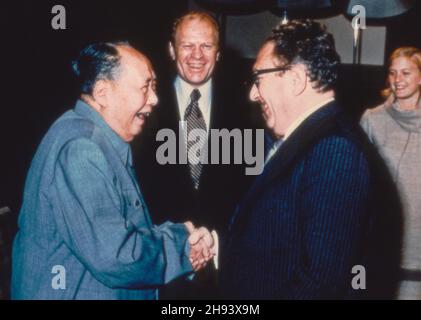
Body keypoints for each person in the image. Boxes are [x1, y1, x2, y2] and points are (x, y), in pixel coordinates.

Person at [11, 41, 216, 300]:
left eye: (154, 87)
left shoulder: (93, 137)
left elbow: (119, 229)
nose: (154, 99)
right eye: (145, 88)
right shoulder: (81, 148)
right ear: (102, 93)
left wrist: (179, 239)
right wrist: (181, 244)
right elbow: (116, 255)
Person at [220, 19, 402, 299]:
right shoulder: (306, 138)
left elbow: (320, 284)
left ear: (295, 80)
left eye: (258, 79)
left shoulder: (334, 148)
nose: (252, 94)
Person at [133, 11, 254, 298]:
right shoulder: (144, 107)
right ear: (172, 50)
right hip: (159, 267)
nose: (196, 55)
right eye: (187, 45)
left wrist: (215, 244)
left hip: (224, 268)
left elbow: (250, 188)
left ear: (219, 53)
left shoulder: (247, 108)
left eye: (206, 46)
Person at [360, 47, 421, 300]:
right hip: (386, 238)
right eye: (393, 73)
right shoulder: (372, 119)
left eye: (406, 72)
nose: (398, 80)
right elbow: (361, 182)